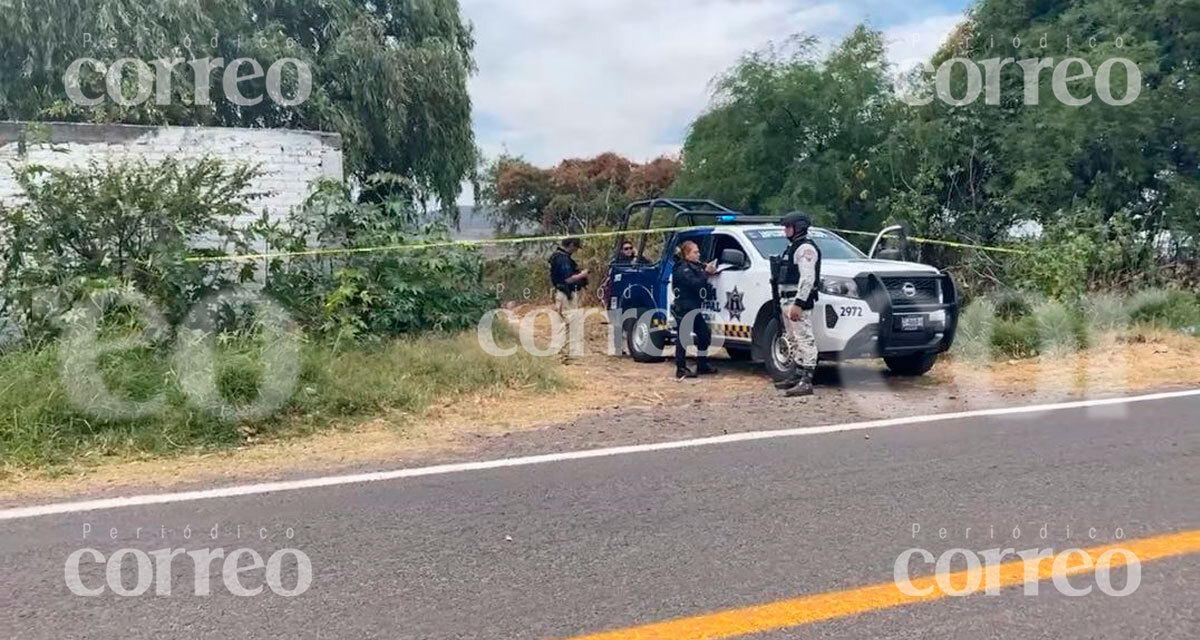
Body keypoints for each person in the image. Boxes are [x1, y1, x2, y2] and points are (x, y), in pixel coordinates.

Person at [775, 211, 822, 397]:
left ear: (798, 227)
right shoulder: (793, 247)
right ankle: (797, 375)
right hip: (787, 299)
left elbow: (808, 279)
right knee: (793, 339)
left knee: (804, 339)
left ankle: (807, 380)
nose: (785, 231)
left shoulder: (805, 249)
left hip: (797, 300)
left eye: (788, 227)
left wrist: (799, 303)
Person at [671, 240, 719, 380]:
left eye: (698, 252)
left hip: (694, 307)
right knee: (683, 337)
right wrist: (706, 273)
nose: (698, 254)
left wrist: (708, 269)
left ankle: (702, 364)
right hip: (685, 307)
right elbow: (695, 283)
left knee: (704, 334)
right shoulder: (682, 269)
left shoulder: (694, 266)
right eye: (695, 252)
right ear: (686, 254)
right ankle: (680, 369)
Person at [549, 238, 589, 364]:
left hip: (563, 294)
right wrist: (582, 275)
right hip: (566, 294)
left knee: (563, 324)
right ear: (571, 245)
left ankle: (561, 355)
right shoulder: (563, 259)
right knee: (570, 324)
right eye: (576, 247)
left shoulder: (558, 257)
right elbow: (568, 279)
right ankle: (564, 356)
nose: (576, 250)